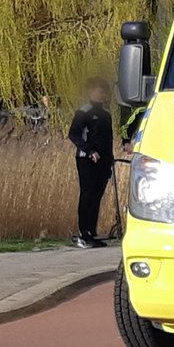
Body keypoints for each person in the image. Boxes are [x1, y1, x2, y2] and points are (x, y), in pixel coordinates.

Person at [68, 77, 115, 248]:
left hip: (103, 161)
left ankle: (92, 233)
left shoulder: (106, 114)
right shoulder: (84, 112)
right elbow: (74, 134)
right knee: (87, 195)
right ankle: (83, 233)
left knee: (97, 196)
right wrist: (89, 151)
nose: (102, 94)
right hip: (86, 160)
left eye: (104, 91)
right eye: (99, 91)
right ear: (91, 92)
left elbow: (108, 139)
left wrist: (109, 160)